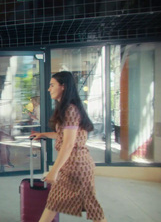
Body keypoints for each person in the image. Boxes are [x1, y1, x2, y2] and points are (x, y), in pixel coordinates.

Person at [31, 71, 107, 222]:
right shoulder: (68, 108)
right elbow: (64, 136)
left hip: (76, 167)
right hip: (74, 166)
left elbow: (69, 144)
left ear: (63, 86)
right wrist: (44, 134)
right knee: (55, 204)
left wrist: (54, 171)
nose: (49, 89)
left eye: (52, 85)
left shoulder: (70, 110)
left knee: (90, 207)